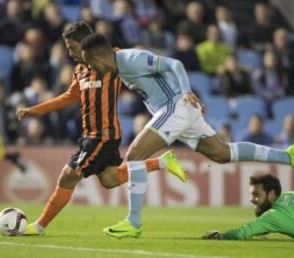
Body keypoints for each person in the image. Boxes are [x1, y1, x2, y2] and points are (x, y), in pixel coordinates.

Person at [81, 32, 294, 239]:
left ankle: (133, 223)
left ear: (97, 58)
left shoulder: (131, 59)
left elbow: (175, 64)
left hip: (177, 106)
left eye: (90, 63)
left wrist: (186, 92)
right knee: (223, 153)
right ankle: (288, 156)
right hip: (182, 112)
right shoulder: (115, 67)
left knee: (134, 155)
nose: (91, 68)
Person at [16, 21, 185, 236]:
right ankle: (162, 162)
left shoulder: (110, 58)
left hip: (102, 136)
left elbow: (139, 61)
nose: (69, 52)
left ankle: (38, 227)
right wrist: (36, 110)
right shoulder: (79, 70)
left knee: (67, 177)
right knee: (110, 180)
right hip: (94, 135)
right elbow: (69, 96)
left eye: (71, 47)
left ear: (83, 43)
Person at [202, 173, 294, 241]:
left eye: (256, 194)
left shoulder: (273, 216)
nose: (252, 200)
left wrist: (220, 236)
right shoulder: (290, 195)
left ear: (272, 194)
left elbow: (243, 232)